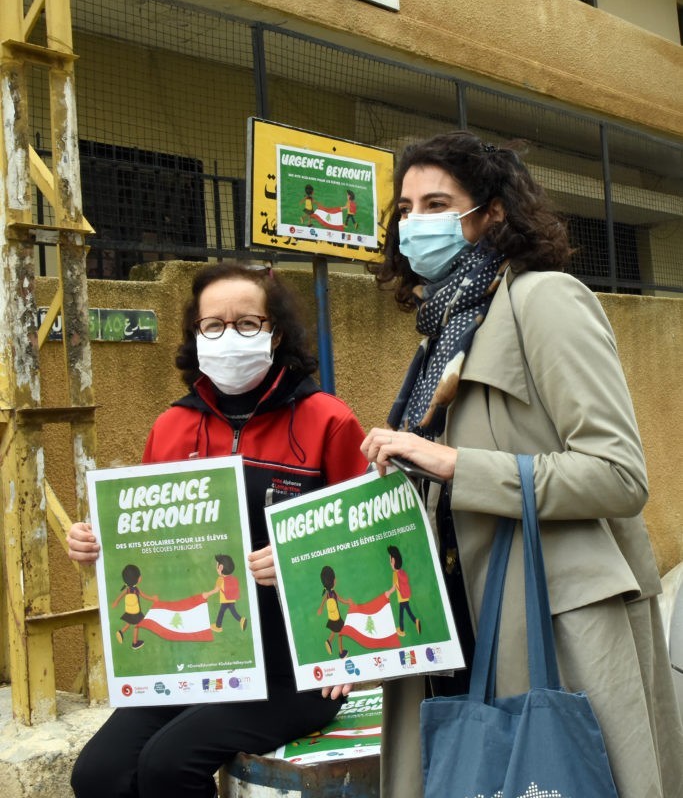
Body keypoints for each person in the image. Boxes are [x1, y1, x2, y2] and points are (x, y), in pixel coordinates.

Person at [361, 131, 683, 798]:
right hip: (451, 622)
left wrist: (457, 465)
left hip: (546, 624)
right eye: (406, 208)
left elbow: (619, 475)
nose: (415, 223)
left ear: (493, 212)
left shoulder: (544, 300)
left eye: (436, 204)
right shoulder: (443, 331)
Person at [68, 261, 367, 798]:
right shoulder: (171, 426)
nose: (230, 335)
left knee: (168, 765)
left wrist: (305, 570)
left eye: (247, 323)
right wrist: (100, 545)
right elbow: (152, 544)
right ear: (195, 334)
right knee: (98, 775)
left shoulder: (328, 420)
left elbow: (369, 541)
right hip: (198, 657)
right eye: (213, 325)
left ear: (276, 333)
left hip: (297, 666)